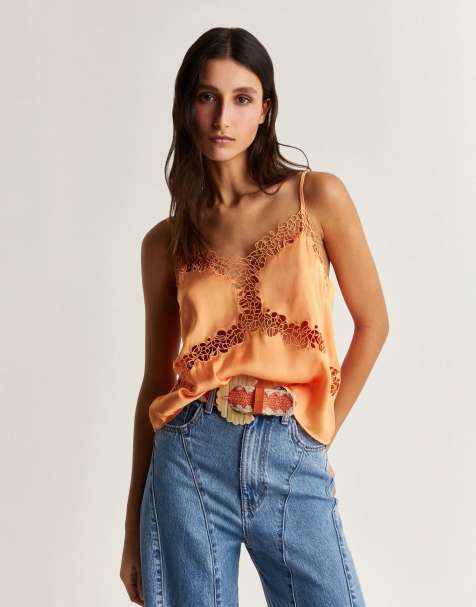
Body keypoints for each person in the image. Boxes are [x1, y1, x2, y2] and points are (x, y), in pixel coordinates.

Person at [120, 26, 389, 607]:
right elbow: (154, 381)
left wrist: (318, 434)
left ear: (265, 110)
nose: (223, 117)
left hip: (293, 447)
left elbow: (374, 323)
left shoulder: (317, 197)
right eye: (207, 96)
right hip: (189, 456)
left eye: (241, 98)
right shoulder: (164, 242)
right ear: (186, 106)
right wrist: (131, 528)